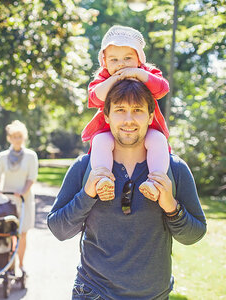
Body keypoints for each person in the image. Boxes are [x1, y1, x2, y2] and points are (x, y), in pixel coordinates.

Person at [47, 80, 207, 300]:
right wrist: (86, 195)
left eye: (138, 110)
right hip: (93, 292)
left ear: (151, 117)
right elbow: (59, 230)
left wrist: (171, 207)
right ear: (106, 116)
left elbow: (194, 235)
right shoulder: (85, 167)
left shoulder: (174, 169)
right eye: (120, 110)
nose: (129, 120)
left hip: (153, 295)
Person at [82, 25, 170, 202]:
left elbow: (162, 89)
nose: (121, 64)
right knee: (100, 141)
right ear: (104, 62)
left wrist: (138, 74)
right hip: (110, 128)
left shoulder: (145, 73)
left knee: (158, 140)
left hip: (145, 127)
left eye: (127, 58)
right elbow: (94, 98)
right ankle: (103, 179)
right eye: (114, 60)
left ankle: (155, 182)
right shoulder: (104, 78)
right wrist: (115, 79)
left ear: (139, 60)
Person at [0, 120, 38, 273]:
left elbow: (32, 178)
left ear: (23, 137)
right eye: (14, 136)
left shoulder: (31, 156)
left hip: (24, 199)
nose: (17, 139)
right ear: (9, 138)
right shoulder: (3, 156)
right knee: (9, 233)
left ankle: (21, 264)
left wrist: (23, 191)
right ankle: (9, 264)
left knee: (22, 233)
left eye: (19, 136)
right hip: (7, 201)